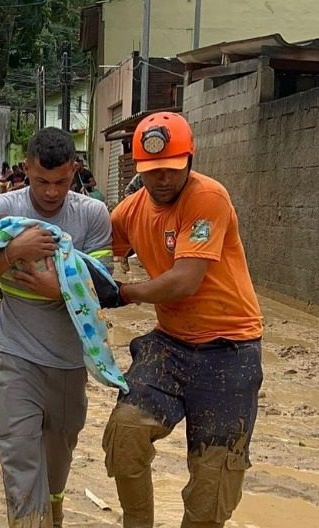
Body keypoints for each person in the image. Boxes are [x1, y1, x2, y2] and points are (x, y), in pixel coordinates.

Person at [104, 112, 263, 528]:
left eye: (171, 170)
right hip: (170, 343)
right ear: (140, 169)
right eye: (152, 171)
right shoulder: (130, 211)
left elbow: (183, 281)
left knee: (213, 488)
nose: (162, 180)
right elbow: (96, 251)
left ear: (189, 161)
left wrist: (124, 293)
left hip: (230, 351)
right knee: (125, 434)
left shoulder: (208, 198)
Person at [0, 127, 113, 527]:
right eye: (41, 181)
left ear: (75, 171)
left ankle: (53, 512)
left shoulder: (91, 214)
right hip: (16, 359)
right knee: (20, 464)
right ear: (26, 170)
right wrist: (14, 250)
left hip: (70, 366)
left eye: (62, 182)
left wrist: (60, 291)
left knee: (56, 467)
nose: (51, 192)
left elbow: (105, 287)